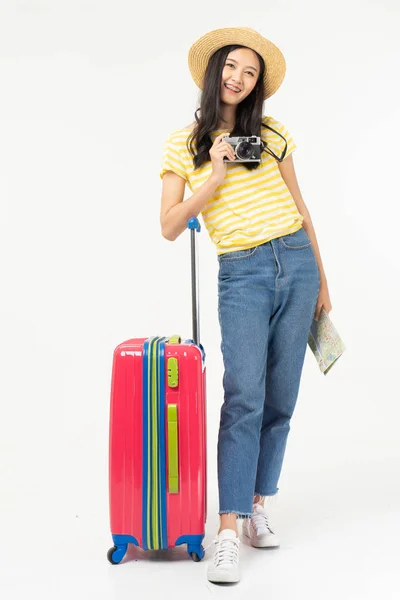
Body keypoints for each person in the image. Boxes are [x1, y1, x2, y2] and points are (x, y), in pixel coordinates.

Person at [159, 26, 332, 584]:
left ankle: (260, 504)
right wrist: (215, 171)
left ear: (257, 85)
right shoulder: (182, 144)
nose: (238, 77)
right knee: (244, 398)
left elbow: (301, 208)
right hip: (243, 273)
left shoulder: (274, 133)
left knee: (281, 397)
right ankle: (227, 529)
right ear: (214, 73)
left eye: (250, 72)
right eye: (231, 67)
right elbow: (168, 225)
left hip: (297, 263)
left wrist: (323, 282)